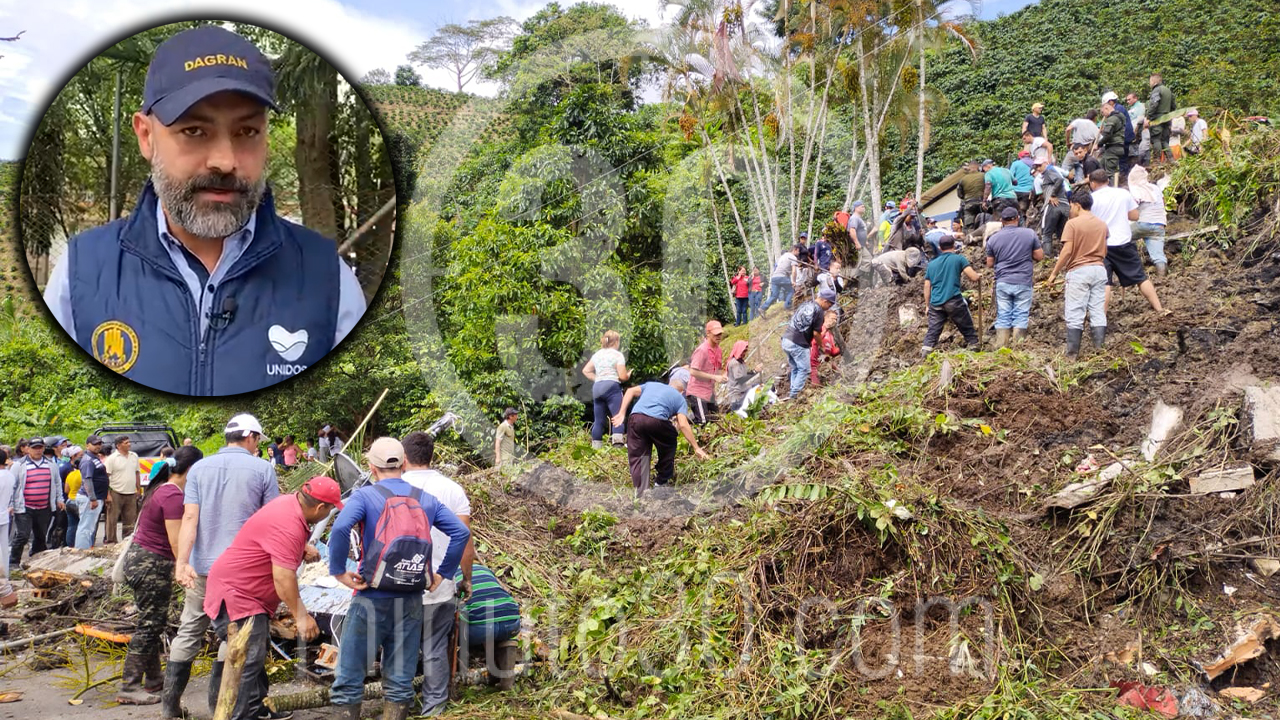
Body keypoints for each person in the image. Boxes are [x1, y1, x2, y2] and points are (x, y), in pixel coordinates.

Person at [42, 27, 366, 395]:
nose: (225, 161)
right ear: (146, 136)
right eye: (195, 131)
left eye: (247, 132)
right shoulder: (80, 274)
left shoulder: (330, 281)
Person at [329, 437, 471, 720]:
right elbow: (461, 533)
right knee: (400, 679)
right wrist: (442, 574)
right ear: (404, 463)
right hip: (411, 600)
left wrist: (339, 571)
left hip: (371, 597)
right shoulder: (426, 499)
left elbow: (341, 527)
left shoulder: (365, 496)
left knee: (350, 674)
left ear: (372, 467)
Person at [165, 414, 279, 720]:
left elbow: (190, 518)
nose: (258, 445)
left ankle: (169, 708)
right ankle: (221, 708)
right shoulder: (263, 469)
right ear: (251, 437)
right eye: (258, 439)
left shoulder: (199, 469)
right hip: (242, 573)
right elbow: (272, 521)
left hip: (202, 568)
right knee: (236, 635)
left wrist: (182, 562)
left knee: (189, 630)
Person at [204, 477, 336, 720]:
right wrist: (302, 616)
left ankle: (257, 707)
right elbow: (284, 578)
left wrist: (301, 548)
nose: (328, 513)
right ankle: (240, 715)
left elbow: (267, 536)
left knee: (256, 650)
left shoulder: (289, 504)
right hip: (238, 593)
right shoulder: (289, 525)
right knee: (247, 658)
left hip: (245, 591)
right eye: (330, 509)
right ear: (320, 508)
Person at [116, 446, 204, 705]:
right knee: (149, 625)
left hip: (142, 562)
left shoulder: (161, 488)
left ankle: (154, 679)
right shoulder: (172, 495)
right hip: (151, 565)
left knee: (153, 622)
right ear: (191, 469)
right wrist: (184, 569)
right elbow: (176, 542)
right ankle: (129, 686)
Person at [400, 431, 476, 716]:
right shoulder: (452, 490)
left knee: (400, 648)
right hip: (439, 585)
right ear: (432, 456)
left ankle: (400, 705)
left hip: (398, 586)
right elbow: (465, 541)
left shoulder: (390, 487)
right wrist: (466, 578)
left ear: (404, 458)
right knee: (434, 648)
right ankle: (433, 709)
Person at [612, 375, 709, 497]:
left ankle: (641, 492)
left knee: (640, 455)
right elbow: (683, 424)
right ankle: (661, 483)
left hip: (636, 418)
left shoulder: (651, 385)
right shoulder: (680, 398)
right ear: (682, 391)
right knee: (668, 445)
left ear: (669, 385)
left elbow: (630, 391)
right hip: (657, 421)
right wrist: (696, 447)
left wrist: (621, 413)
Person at [1086, 169, 1165, 315]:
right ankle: (1159, 309)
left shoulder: (1091, 199)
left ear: (1092, 183)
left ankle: (1100, 318)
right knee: (1140, 278)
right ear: (1107, 181)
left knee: (1104, 283)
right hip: (1123, 242)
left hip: (1102, 245)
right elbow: (1135, 216)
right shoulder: (1123, 193)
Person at [1046, 191, 1109, 357]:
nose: (1070, 209)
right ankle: (1100, 352)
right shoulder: (1102, 224)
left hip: (1079, 270)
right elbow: (1105, 249)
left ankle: (1072, 355)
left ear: (1078, 205)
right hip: (1099, 269)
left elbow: (1067, 251)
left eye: (1071, 206)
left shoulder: (1072, 224)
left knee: (1075, 312)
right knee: (1098, 310)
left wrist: (1054, 273)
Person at [453, 563, 521, 689]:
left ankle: (452, 680)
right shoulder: (484, 569)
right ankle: (506, 680)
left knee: (450, 628)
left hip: (479, 628)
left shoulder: (449, 574)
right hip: (511, 620)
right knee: (499, 627)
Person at [985, 207, 1045, 347]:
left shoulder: (993, 238)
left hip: (1003, 281)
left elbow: (989, 263)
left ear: (1001, 221)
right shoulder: (1029, 233)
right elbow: (1039, 256)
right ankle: (1019, 348)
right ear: (1018, 218)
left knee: (1003, 315)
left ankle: (1002, 347)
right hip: (1023, 280)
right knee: (1021, 315)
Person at [922, 236, 981, 355]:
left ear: (939, 247)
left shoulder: (931, 264)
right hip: (953, 299)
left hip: (935, 302)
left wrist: (927, 305)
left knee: (933, 330)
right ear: (954, 245)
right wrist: (979, 275)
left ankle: (926, 352)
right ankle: (974, 345)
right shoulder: (959, 259)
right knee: (966, 325)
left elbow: (927, 286)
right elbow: (973, 277)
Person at [10, 437, 64, 567]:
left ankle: (36, 560)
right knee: (23, 535)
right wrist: (11, 504)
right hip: (24, 507)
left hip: (44, 506)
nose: (38, 450)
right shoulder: (19, 465)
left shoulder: (51, 464)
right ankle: (13, 562)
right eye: (35, 448)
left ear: (44, 448)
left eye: (40, 448)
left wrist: (59, 499)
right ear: (28, 449)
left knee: (41, 536)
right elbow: (12, 485)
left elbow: (57, 483)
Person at [780, 288, 837, 399]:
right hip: (798, 343)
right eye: (829, 305)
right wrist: (821, 346)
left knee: (796, 368)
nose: (828, 308)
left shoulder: (806, 304)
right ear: (825, 301)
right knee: (805, 369)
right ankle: (794, 395)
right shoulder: (819, 311)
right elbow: (816, 333)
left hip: (786, 339)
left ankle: (793, 392)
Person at [583, 331, 630, 449]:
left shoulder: (597, 355)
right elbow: (622, 376)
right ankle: (617, 446)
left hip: (597, 387)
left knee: (598, 420)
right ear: (616, 341)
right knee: (617, 417)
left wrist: (598, 378)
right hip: (612, 386)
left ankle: (595, 448)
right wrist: (628, 375)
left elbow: (586, 370)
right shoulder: (618, 355)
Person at [1128, 165, 1171, 278]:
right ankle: (1162, 277)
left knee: (1123, 237)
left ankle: (1129, 264)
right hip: (1159, 225)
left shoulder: (1137, 189)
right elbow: (1163, 202)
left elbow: (1132, 209)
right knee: (1158, 255)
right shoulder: (1155, 188)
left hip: (1143, 223)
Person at [686, 321, 727, 425]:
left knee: (716, 420)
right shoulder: (702, 350)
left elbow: (717, 370)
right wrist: (714, 377)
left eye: (720, 334)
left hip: (709, 391)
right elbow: (693, 371)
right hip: (697, 392)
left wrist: (723, 376)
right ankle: (685, 423)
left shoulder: (718, 350)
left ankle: (689, 420)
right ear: (708, 333)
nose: (718, 336)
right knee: (703, 422)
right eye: (716, 334)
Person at [103, 435, 141, 544]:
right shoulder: (112, 459)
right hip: (116, 492)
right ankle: (111, 541)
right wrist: (107, 494)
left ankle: (127, 542)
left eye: (129, 442)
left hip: (131, 493)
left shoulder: (134, 456)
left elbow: (137, 473)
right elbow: (106, 477)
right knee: (112, 519)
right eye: (126, 443)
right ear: (118, 445)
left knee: (130, 520)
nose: (129, 444)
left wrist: (138, 489)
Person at [74, 435, 109, 549]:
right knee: (85, 527)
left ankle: (86, 549)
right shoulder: (88, 461)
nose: (98, 446)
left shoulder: (94, 458)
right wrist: (93, 498)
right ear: (87, 445)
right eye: (95, 444)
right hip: (89, 498)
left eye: (99, 444)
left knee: (89, 527)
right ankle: (81, 552)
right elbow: (87, 480)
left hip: (96, 497)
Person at [1034, 157, 1069, 256]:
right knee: (1062, 234)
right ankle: (1065, 256)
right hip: (1064, 205)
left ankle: (1047, 257)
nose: (1038, 168)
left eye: (1040, 165)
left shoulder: (1049, 170)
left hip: (1053, 205)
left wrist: (1052, 195)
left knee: (1046, 233)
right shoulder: (1051, 172)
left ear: (1046, 163)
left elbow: (1059, 179)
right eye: (1036, 166)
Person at [723, 340, 762, 411]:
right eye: (743, 351)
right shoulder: (735, 363)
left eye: (745, 351)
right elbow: (741, 380)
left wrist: (754, 371)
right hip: (737, 397)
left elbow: (744, 375)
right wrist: (755, 371)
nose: (744, 353)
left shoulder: (741, 362)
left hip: (742, 394)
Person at [1146, 73, 1175, 164]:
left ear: (1154, 81)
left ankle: (1157, 160)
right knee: (1164, 140)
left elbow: (1154, 104)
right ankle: (1171, 159)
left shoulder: (1156, 90)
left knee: (1156, 139)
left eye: (1150, 81)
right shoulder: (1168, 90)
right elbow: (1173, 106)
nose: (1149, 83)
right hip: (1167, 118)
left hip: (1157, 118)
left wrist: (1148, 116)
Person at [0, 450, 17, 608]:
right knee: (3, 550)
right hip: (4, 514)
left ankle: (3, 586)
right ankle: (6, 578)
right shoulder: (9, 475)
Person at [760, 245, 798, 314]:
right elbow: (794, 271)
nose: (798, 253)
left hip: (774, 277)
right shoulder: (793, 257)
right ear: (794, 250)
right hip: (782, 277)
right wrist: (794, 281)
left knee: (774, 295)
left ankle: (763, 308)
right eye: (798, 251)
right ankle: (787, 306)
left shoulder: (782, 256)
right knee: (791, 291)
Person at [808, 312, 841, 388]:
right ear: (825, 318)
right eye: (832, 319)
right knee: (816, 385)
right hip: (813, 364)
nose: (834, 321)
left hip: (825, 361)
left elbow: (832, 351)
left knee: (839, 372)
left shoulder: (831, 334)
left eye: (836, 319)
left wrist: (841, 349)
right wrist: (825, 329)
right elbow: (814, 342)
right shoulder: (819, 328)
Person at [1097, 97, 1127, 182]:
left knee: (1110, 173)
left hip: (1114, 147)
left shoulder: (1112, 119)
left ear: (1107, 108)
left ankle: (1113, 187)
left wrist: (1099, 144)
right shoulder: (1119, 117)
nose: (1103, 115)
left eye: (1103, 112)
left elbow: (1107, 135)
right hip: (1114, 147)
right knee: (1101, 165)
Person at [61, 445, 84, 547]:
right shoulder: (83, 474)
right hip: (80, 501)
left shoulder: (70, 474)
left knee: (71, 526)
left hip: (69, 501)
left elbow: (66, 490)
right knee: (83, 525)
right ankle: (81, 545)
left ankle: (70, 545)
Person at [957, 160, 987, 232]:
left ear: (969, 168)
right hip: (981, 203)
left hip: (969, 204)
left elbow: (960, 194)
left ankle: (971, 236)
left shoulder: (963, 179)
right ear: (978, 167)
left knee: (970, 226)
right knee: (983, 223)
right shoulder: (984, 176)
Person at [1126, 92, 1150, 166]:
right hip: (1131, 130)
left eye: (1129, 99)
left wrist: (1135, 131)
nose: (1128, 101)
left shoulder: (1140, 106)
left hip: (1138, 130)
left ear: (1135, 98)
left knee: (1140, 149)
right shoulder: (1132, 108)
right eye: (1127, 100)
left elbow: (1139, 119)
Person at [1010, 153, 1035, 217]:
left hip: (1015, 191)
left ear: (1020, 157)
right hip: (1028, 191)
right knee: (1023, 211)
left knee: (1013, 211)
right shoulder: (1035, 164)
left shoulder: (1016, 164)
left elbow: (1010, 176)